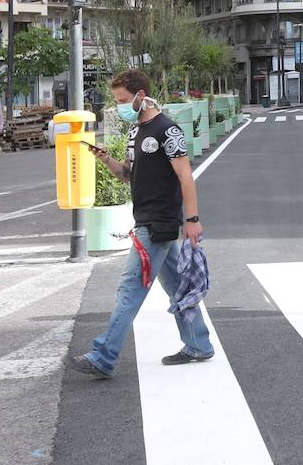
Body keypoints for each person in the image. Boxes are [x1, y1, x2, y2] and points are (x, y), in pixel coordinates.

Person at [68, 69, 213, 380]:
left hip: (159, 222)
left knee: (130, 289)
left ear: (141, 95)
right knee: (177, 286)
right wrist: (107, 159)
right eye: (117, 100)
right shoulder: (136, 132)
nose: (120, 105)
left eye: (123, 100)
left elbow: (185, 177)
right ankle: (198, 344)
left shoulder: (167, 130)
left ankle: (104, 355)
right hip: (144, 217)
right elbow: (128, 175)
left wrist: (192, 220)